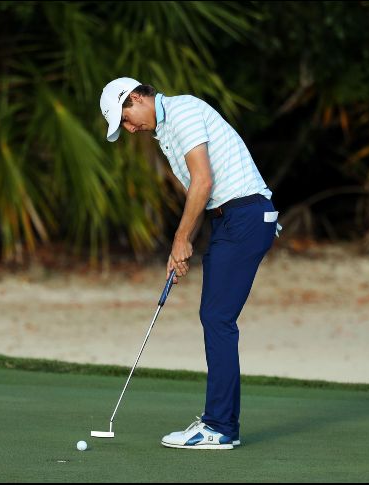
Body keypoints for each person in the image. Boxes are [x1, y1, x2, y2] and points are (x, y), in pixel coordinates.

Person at [99, 77, 281, 450]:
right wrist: (181, 248)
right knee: (216, 317)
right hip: (230, 219)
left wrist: (181, 239)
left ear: (137, 97)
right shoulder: (166, 130)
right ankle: (222, 424)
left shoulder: (182, 112)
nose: (130, 129)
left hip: (246, 216)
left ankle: (219, 427)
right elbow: (200, 197)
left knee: (217, 318)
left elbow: (203, 182)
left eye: (126, 118)